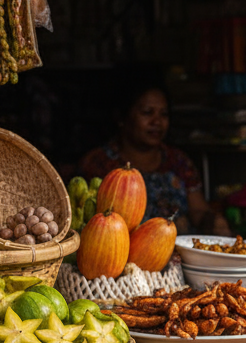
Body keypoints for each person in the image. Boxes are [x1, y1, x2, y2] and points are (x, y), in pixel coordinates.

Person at [80, 83, 228, 234]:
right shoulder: (99, 163)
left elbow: (198, 210)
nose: (157, 122)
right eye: (147, 112)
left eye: (163, 114)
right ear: (122, 117)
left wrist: (212, 221)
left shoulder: (178, 161)